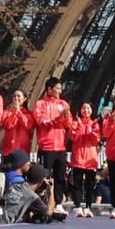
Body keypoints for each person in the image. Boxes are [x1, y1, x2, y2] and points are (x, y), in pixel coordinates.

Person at [33, 78, 74, 216]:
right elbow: (40, 122)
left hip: (60, 146)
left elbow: (69, 124)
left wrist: (65, 116)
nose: (60, 91)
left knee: (60, 176)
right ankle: (41, 201)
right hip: (46, 146)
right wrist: (57, 118)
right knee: (44, 175)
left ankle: (58, 202)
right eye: (57, 88)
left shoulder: (63, 104)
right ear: (49, 89)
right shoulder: (40, 104)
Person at [69, 102, 101, 218]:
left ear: (91, 111)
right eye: (83, 108)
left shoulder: (95, 124)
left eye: (88, 108)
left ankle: (88, 207)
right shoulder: (75, 123)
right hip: (78, 158)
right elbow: (72, 137)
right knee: (76, 184)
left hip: (90, 160)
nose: (86, 110)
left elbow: (95, 140)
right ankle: (77, 206)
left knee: (89, 185)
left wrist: (90, 130)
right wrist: (80, 126)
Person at [0, 89, 36, 162]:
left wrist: (19, 112)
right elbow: (7, 125)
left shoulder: (29, 114)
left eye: (18, 96)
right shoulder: (6, 113)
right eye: (14, 96)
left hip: (22, 150)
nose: (16, 98)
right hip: (8, 150)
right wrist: (14, 113)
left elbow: (28, 126)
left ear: (24, 99)